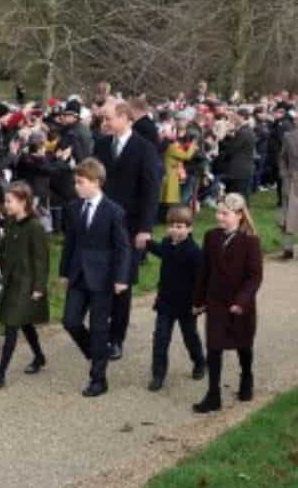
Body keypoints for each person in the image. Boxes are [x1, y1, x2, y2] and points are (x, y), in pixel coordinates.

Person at [92, 99, 161, 361]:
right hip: (101, 224)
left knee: (122, 282)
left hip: (130, 227)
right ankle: (100, 327)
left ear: (124, 117)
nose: (104, 123)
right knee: (99, 276)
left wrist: (145, 228)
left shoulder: (144, 148)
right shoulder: (100, 145)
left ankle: (116, 337)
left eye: (108, 118)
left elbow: (151, 190)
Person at [59, 158, 131, 398]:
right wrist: (64, 272)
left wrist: (121, 277)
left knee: (100, 328)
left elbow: (123, 247)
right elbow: (70, 242)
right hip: (79, 274)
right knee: (70, 321)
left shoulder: (114, 211)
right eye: (75, 182)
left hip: (103, 277)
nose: (76, 187)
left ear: (96, 182)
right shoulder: (73, 208)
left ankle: (98, 379)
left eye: (80, 182)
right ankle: (96, 352)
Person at [192, 193, 263, 413]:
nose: (219, 217)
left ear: (240, 215)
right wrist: (199, 300)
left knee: (243, 345)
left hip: (240, 305)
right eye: (218, 212)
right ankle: (213, 394)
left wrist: (242, 301)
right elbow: (204, 271)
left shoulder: (251, 241)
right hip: (216, 301)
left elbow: (254, 276)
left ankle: (246, 377)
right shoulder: (211, 237)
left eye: (225, 213)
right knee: (214, 347)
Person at [0, 181, 49, 389]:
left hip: (27, 284)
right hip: (12, 282)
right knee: (25, 323)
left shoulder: (35, 227)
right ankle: (39, 356)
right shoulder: (12, 223)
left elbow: (41, 260)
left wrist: (39, 287)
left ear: (23, 202)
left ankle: (0, 374)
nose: (6, 205)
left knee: (12, 324)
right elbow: (4, 244)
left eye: (9, 201)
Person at [145, 206, 206, 392]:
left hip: (187, 305)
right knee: (161, 338)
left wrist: (199, 304)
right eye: (171, 226)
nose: (175, 230)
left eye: (180, 226)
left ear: (189, 228)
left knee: (190, 336)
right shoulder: (166, 243)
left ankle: (199, 362)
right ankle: (158, 374)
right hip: (165, 302)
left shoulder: (195, 253)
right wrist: (147, 243)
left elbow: (201, 281)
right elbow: (161, 251)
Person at [280, 121, 298, 259]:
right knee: (288, 213)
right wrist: (284, 173)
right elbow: (282, 157)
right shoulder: (288, 136)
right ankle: (287, 248)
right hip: (292, 179)